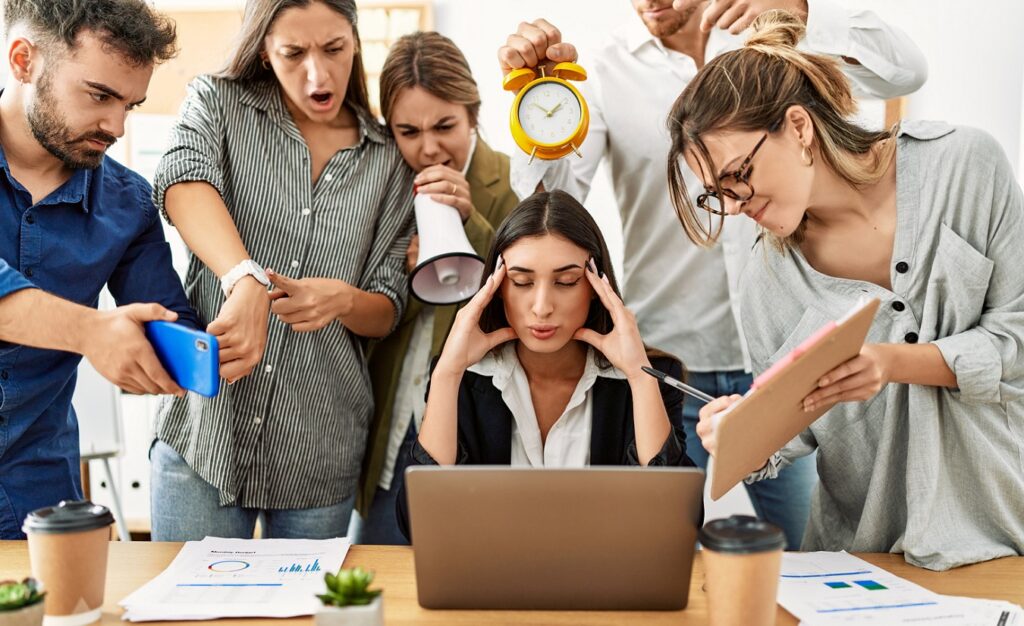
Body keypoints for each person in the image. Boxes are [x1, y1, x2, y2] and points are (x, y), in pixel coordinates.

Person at [497, 0, 928, 548]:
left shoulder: (772, 37)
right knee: (659, 551)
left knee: (801, 556)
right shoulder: (605, 67)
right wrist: (535, 102)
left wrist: (801, 9)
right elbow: (550, 204)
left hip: (784, 359)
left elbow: (905, 71)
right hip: (674, 364)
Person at [668, 11, 1024, 571]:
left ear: (799, 128)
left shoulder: (967, 167)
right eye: (717, 194)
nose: (735, 206)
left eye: (738, 175)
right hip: (861, 564)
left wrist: (891, 361)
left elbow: (1017, 344)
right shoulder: (766, 279)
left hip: (1002, 539)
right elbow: (794, 431)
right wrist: (743, 427)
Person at [148, 0, 414, 541]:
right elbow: (180, 180)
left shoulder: (388, 158)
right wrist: (242, 276)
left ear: (356, 41)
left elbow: (388, 306)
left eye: (335, 49)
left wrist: (342, 300)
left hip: (321, 450)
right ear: (265, 53)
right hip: (205, 437)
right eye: (293, 53)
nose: (318, 73)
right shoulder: (218, 102)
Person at [0, 0, 198, 539]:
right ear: (24, 61)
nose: (115, 125)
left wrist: (204, 351)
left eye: (131, 104)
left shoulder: (128, 203)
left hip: (38, 494)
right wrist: (92, 332)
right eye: (99, 95)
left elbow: (165, 323)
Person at [396, 190, 697, 539]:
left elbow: (679, 525)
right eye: (521, 282)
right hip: (491, 583)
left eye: (565, 282)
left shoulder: (647, 381)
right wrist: (447, 373)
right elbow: (418, 526)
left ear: (598, 287)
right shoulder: (465, 377)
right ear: (496, 289)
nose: (541, 306)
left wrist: (639, 377)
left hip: (605, 585)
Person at [356, 31, 519, 545]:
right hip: (394, 422)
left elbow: (529, 303)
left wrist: (469, 227)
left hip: (478, 425)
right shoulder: (383, 187)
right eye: (408, 131)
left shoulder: (513, 183)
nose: (428, 147)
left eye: (445, 125)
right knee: (382, 572)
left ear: (473, 113)